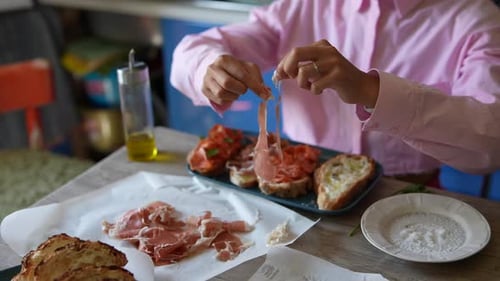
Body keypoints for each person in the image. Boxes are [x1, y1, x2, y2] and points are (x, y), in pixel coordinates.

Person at [170, 0, 500, 184]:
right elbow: (191, 53)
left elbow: (490, 145)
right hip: (295, 184)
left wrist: (369, 90)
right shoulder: (302, 7)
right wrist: (206, 66)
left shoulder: (476, 20)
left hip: (408, 196)